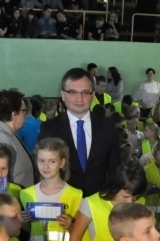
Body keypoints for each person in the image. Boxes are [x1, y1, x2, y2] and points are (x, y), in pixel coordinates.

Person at [38, 68, 121, 197]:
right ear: (63, 95)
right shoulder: (49, 128)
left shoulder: (107, 126)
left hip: (99, 203)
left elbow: (115, 168)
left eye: (85, 92)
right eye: (72, 92)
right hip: (63, 203)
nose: (79, 98)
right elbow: (43, 171)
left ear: (93, 95)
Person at [70, 160, 148, 241]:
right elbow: (75, 236)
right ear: (115, 188)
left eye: (135, 197)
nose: (130, 202)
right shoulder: (91, 204)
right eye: (125, 196)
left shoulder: (140, 204)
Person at [21, 137, 82, 241]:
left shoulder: (76, 195)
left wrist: (70, 226)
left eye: (52, 161)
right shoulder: (26, 194)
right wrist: (22, 221)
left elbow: (80, 232)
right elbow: (29, 229)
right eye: (41, 161)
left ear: (62, 163)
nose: (46, 166)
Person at [0, 89, 35, 188]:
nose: (25, 116)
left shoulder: (9, 135)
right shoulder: (0, 138)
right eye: (24, 111)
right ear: (14, 114)